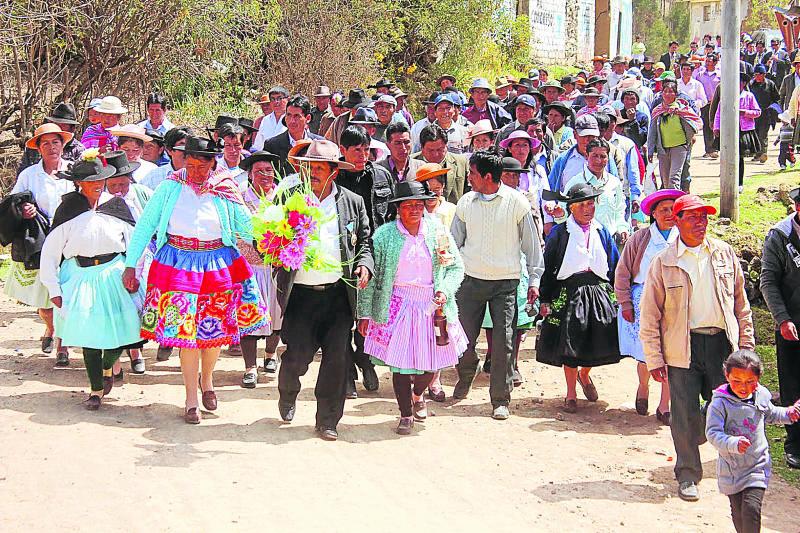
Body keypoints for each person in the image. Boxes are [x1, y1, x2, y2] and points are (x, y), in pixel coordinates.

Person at [121, 136, 269, 424]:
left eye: (202, 166)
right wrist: (131, 265)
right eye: (191, 165)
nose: (196, 173)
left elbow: (245, 226)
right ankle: (191, 398)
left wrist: (271, 242)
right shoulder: (169, 187)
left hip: (217, 264)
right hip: (177, 264)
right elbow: (145, 226)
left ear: (213, 163)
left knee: (213, 331)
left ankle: (208, 382)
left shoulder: (225, 189)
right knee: (185, 334)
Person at [640, 194, 754, 502]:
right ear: (677, 221)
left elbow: (741, 304)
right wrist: (654, 358)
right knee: (683, 413)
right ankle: (688, 474)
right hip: (681, 348)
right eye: (692, 217)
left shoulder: (723, 253)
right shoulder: (664, 262)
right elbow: (649, 314)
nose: (700, 223)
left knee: (725, 407)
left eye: (704, 217)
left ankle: (716, 451)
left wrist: (747, 346)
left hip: (721, 345)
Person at [274, 140, 373, 441]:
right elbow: (266, 237)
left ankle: (328, 419)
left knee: (337, 359)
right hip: (300, 294)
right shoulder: (289, 198)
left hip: (338, 295)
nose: (313, 173)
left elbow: (365, 241)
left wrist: (365, 265)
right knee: (298, 357)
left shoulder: (352, 202)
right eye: (309, 167)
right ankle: (288, 391)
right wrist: (277, 248)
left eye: (319, 168)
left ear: (333, 171)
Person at [357, 181, 466, 434]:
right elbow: (371, 279)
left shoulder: (438, 231)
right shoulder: (384, 236)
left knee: (430, 364)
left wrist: (444, 291)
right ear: (398, 209)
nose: (415, 210)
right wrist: (365, 312)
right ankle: (405, 415)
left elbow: (456, 267)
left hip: (432, 305)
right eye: (408, 206)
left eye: (419, 205)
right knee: (401, 366)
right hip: (398, 304)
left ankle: (419, 394)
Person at [39, 154, 141, 410]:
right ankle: (95, 389)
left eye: (100, 179)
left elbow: (135, 246)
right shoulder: (67, 210)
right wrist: (54, 288)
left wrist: (136, 273)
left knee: (121, 332)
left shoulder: (116, 206)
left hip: (114, 276)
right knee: (89, 336)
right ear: (78, 183)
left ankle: (109, 367)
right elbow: (50, 252)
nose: (97, 184)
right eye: (89, 180)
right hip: (80, 277)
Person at [450, 150, 543, 420]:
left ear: (488, 177)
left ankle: (500, 399)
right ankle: (467, 373)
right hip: (470, 281)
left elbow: (532, 247)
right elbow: (455, 243)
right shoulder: (466, 203)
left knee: (503, 342)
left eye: (472, 174)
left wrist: (534, 280)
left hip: (505, 283)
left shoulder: (517, 203)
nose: (469, 179)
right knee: (462, 338)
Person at [536, 183, 621, 413]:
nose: (587, 208)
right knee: (570, 343)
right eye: (582, 204)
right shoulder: (560, 233)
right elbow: (548, 265)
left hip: (598, 291)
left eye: (591, 203)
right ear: (571, 208)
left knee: (599, 337)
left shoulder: (601, 231)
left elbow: (614, 264)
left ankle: (585, 375)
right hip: (570, 292)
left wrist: (620, 294)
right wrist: (545, 298)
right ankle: (571, 393)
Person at [706, 350, 800, 533]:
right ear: (727, 376)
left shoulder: (761, 395)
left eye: (750, 382)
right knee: (739, 515)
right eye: (737, 381)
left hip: (757, 466)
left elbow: (771, 414)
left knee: (751, 509)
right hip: (731, 469)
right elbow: (712, 433)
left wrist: (789, 413)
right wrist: (732, 443)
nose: (743, 387)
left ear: (758, 379)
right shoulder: (719, 404)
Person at [5, 123, 75, 364]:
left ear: (62, 144)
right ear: (38, 148)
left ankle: (63, 345)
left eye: (55, 142)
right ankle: (51, 328)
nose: (51, 147)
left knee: (66, 291)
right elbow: (13, 201)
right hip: (41, 241)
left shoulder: (73, 171)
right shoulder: (29, 175)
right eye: (45, 143)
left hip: (70, 241)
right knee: (44, 296)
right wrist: (25, 209)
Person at [615, 189, 684, 423]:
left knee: (672, 354)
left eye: (673, 209)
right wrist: (625, 302)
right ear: (653, 213)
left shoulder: (683, 237)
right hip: (643, 300)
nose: (669, 214)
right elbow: (623, 272)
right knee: (647, 354)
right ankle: (643, 387)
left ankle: (665, 405)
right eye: (663, 210)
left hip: (676, 302)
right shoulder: (640, 239)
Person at [759, 185, 800, 469]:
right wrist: (783, 319)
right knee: (793, 384)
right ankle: (794, 444)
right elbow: (768, 281)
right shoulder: (779, 236)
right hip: (791, 323)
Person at [236, 151, 283, 386]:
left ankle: (270, 354)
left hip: (276, 268)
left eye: (268, 170)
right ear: (250, 175)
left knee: (276, 317)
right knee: (249, 317)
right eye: (258, 171)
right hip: (249, 267)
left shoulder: (283, 197)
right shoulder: (241, 199)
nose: (264, 175)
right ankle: (250, 366)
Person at [104, 150, 152, 375]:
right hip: (111, 262)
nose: (121, 190)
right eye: (115, 185)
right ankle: (115, 361)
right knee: (115, 311)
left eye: (124, 184)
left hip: (141, 261)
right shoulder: (100, 201)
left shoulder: (142, 194)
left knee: (136, 309)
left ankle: (136, 352)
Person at [562, 139, 629, 244]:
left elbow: (620, 211)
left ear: (608, 159)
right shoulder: (575, 183)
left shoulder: (614, 183)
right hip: (581, 242)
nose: (598, 161)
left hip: (609, 242)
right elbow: (564, 213)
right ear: (587, 156)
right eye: (594, 156)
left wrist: (622, 229)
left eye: (603, 156)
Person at [647, 80, 702, 190]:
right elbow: (652, 131)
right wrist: (650, 149)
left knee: (674, 177)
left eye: (671, 91)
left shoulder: (682, 109)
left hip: (679, 147)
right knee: (665, 179)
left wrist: (690, 139)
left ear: (676, 94)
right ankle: (669, 204)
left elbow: (696, 122)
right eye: (665, 91)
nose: (668, 94)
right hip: (663, 149)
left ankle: (675, 203)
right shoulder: (658, 111)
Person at [714, 73, 761, 192]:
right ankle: (726, 180)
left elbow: (757, 112)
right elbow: (719, 113)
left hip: (743, 130)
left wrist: (744, 112)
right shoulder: (726, 96)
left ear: (744, 84)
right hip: (728, 129)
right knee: (726, 155)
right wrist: (716, 127)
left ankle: (739, 182)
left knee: (739, 157)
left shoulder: (748, 96)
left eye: (739, 82)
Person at [16, 103, 86, 176]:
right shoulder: (36, 145)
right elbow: (22, 172)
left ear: (72, 128)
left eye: (63, 125)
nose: (58, 128)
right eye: (56, 124)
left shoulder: (78, 150)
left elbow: (81, 178)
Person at [413, 124, 469, 203]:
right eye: (431, 150)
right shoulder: (411, 163)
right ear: (421, 148)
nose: (435, 154)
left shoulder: (461, 162)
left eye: (440, 150)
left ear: (446, 146)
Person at [140, 126, 193, 192]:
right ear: (169, 150)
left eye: (191, 146)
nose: (187, 150)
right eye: (182, 146)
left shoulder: (203, 176)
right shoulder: (153, 177)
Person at [748, 64, 779, 163]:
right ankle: (757, 154)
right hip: (753, 115)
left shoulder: (770, 84)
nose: (756, 76)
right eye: (755, 74)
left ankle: (763, 153)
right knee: (755, 135)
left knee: (763, 135)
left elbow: (776, 99)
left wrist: (774, 110)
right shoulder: (751, 85)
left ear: (764, 74)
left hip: (766, 114)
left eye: (758, 74)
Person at [251, 86, 289, 150]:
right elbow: (257, 145)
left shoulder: (292, 119)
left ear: (288, 99)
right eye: (272, 99)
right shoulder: (265, 120)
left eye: (279, 98)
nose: (276, 102)